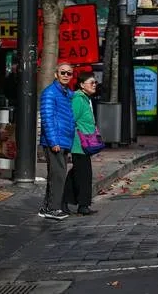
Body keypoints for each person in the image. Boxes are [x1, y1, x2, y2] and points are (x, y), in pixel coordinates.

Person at [39, 63, 76, 220]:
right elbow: (47, 118)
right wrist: (54, 142)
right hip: (55, 142)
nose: (66, 75)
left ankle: (47, 207)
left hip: (64, 140)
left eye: (69, 73)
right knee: (58, 175)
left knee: (56, 174)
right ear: (56, 74)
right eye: (63, 72)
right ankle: (53, 209)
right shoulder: (50, 93)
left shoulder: (67, 94)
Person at [63, 72, 98, 215]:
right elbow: (72, 119)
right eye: (91, 83)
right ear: (82, 85)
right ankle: (83, 205)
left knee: (77, 173)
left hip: (85, 142)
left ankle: (65, 201)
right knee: (83, 174)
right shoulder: (78, 99)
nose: (95, 85)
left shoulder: (85, 98)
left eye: (95, 82)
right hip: (79, 142)